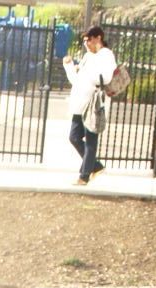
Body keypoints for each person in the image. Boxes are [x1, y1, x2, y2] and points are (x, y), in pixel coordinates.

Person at [63, 26, 117, 186]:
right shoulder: (87, 56)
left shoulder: (106, 55)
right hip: (79, 104)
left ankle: (84, 176)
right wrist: (69, 66)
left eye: (89, 40)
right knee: (74, 137)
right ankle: (96, 166)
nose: (86, 43)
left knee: (91, 140)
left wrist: (85, 72)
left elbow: (106, 78)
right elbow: (76, 79)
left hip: (94, 104)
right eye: (85, 40)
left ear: (98, 38)